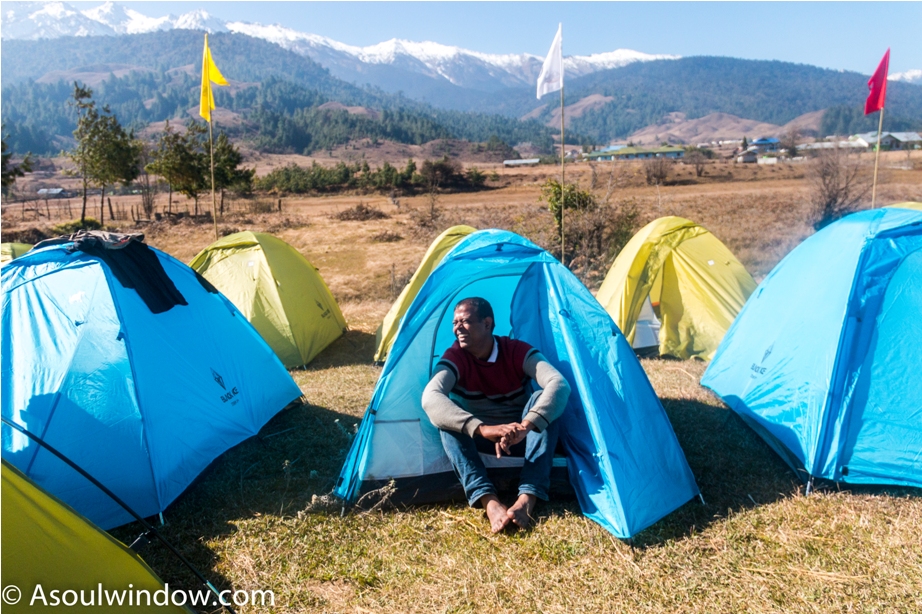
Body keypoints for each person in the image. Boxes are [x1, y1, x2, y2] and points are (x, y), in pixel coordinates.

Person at [421, 297, 571, 533]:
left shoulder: (515, 350)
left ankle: (527, 497)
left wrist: (525, 427)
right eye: (455, 322)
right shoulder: (454, 357)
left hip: (521, 440)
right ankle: (488, 501)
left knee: (542, 399)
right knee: (446, 419)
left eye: (466, 322)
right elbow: (430, 397)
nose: (457, 328)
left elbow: (559, 384)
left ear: (488, 324)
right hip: (480, 441)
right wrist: (483, 429)